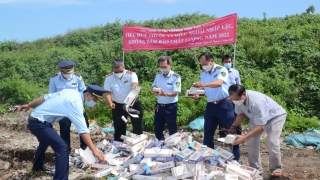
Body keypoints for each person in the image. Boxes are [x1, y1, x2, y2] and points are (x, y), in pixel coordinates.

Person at [17, 85, 106, 180]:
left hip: (37, 119)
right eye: (95, 99)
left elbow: (45, 97)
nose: (95, 102)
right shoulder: (75, 104)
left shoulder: (71, 92)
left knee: (45, 141)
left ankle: (38, 167)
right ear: (87, 94)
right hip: (38, 124)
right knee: (63, 148)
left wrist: (29, 105)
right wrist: (95, 151)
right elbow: (83, 131)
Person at [228, 84, 286, 177]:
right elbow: (241, 114)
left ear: (243, 94)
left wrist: (244, 137)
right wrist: (233, 126)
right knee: (251, 141)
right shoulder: (237, 101)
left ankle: (276, 169)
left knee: (272, 142)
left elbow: (261, 125)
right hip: (257, 119)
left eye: (237, 99)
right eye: (233, 99)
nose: (235, 101)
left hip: (274, 118)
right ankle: (256, 169)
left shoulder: (257, 102)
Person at [193, 52, 240, 161]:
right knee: (208, 132)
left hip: (224, 104)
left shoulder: (221, 69)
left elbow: (219, 83)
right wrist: (197, 94)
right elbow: (205, 90)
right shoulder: (203, 74)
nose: (204, 66)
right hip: (211, 106)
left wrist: (204, 84)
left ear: (212, 61)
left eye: (205, 63)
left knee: (231, 132)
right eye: (202, 64)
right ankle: (209, 157)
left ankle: (236, 159)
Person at [49, 60, 90, 151]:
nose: (68, 74)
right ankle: (66, 149)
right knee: (64, 128)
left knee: (84, 125)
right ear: (61, 70)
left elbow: (83, 92)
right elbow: (51, 94)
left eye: (70, 72)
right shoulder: (54, 79)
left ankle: (85, 147)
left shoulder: (77, 77)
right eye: (66, 72)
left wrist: (84, 106)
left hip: (77, 107)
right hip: (63, 109)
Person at [104, 59, 143, 141]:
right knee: (119, 125)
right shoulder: (109, 78)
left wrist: (134, 88)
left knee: (137, 124)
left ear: (124, 67)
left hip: (132, 103)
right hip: (118, 105)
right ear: (113, 69)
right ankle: (119, 143)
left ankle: (138, 142)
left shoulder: (131, 75)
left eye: (120, 71)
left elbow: (134, 84)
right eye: (116, 72)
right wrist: (110, 102)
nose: (118, 73)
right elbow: (106, 92)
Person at [151, 56, 181, 141]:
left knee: (172, 127)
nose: (162, 69)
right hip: (159, 106)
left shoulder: (175, 77)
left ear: (170, 65)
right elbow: (153, 86)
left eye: (165, 67)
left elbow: (175, 92)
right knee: (158, 127)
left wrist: (165, 94)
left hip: (170, 106)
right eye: (161, 67)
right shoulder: (158, 76)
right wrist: (153, 90)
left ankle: (173, 146)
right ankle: (159, 145)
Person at [218, 54, 242, 137]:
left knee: (236, 115)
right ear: (222, 63)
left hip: (234, 97)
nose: (228, 63)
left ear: (231, 62)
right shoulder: (219, 72)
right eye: (226, 62)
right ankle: (223, 134)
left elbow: (239, 85)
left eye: (229, 62)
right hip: (223, 97)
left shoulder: (235, 72)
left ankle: (237, 133)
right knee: (222, 115)